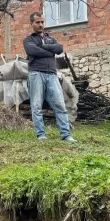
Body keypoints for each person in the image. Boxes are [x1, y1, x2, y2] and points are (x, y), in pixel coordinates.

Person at [23, 12, 77, 143]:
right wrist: (49, 52)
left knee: (60, 104)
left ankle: (66, 135)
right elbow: (33, 51)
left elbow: (59, 48)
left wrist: (44, 47)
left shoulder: (50, 38)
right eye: (37, 22)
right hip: (36, 73)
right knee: (36, 105)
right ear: (32, 24)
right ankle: (41, 134)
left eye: (42, 22)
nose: (40, 25)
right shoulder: (28, 40)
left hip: (52, 74)